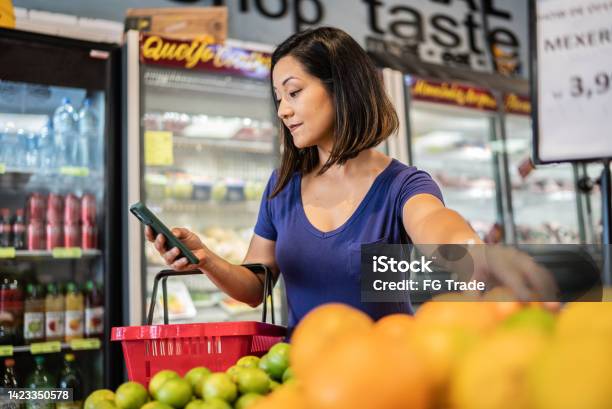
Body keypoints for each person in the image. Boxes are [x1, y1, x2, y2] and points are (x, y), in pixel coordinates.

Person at [145, 27, 557, 329]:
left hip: (383, 378)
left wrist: (475, 254)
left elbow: (435, 225)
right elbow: (256, 285)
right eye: (277, 99)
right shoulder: (281, 187)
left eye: (294, 92)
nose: (283, 111)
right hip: (302, 381)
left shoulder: (401, 186)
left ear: (340, 87)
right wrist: (205, 259)